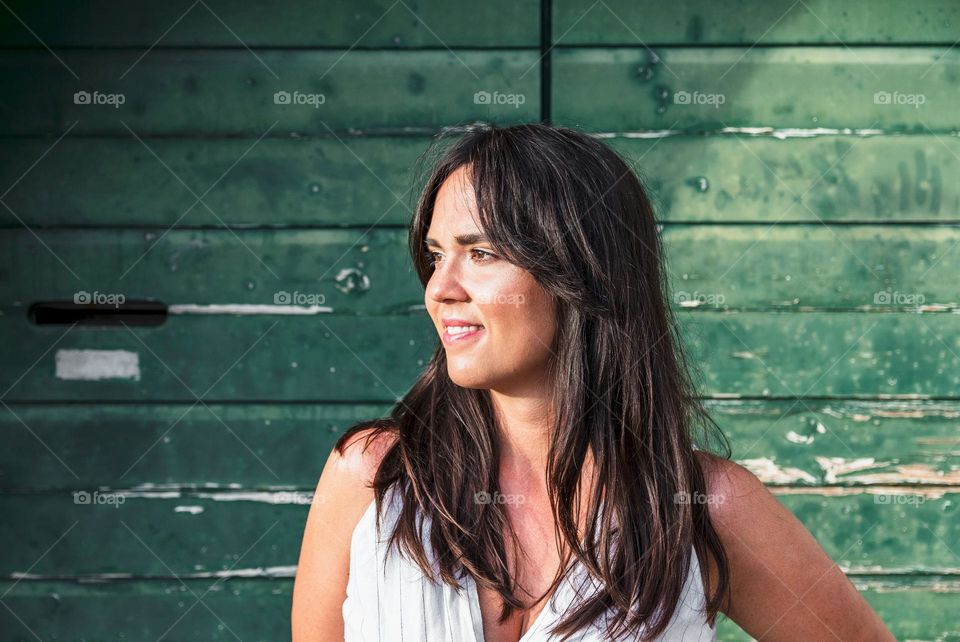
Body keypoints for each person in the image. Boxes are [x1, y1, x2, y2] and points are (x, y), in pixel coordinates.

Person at [291, 123, 895, 641]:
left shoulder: (704, 507)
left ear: (580, 270)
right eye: (435, 254)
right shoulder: (373, 478)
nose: (440, 288)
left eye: (480, 254)